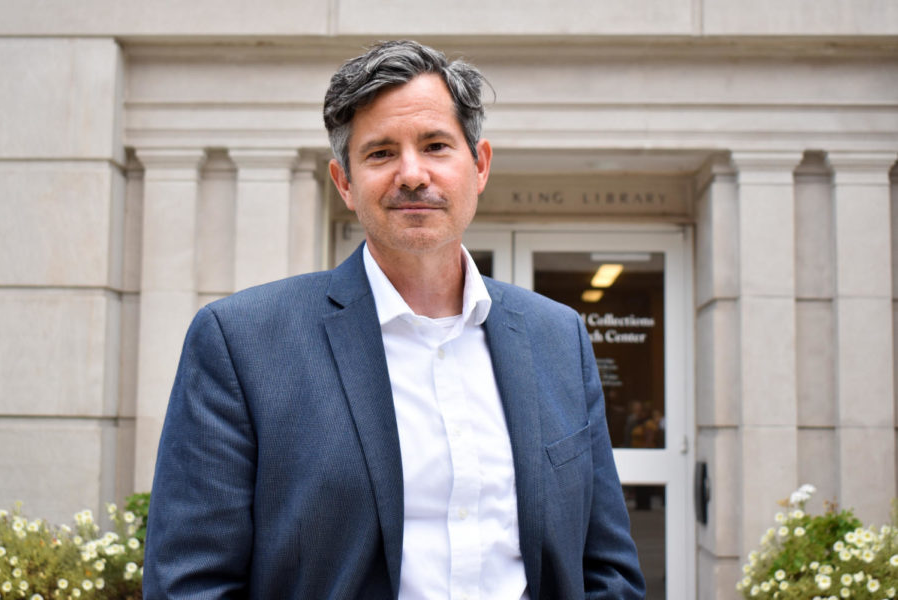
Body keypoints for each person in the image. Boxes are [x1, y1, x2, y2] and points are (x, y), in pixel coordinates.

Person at [143, 40, 645, 599]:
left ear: (478, 166)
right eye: (380, 153)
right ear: (344, 182)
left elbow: (607, 570)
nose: (412, 174)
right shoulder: (242, 343)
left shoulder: (558, 337)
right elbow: (190, 584)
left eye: (435, 146)